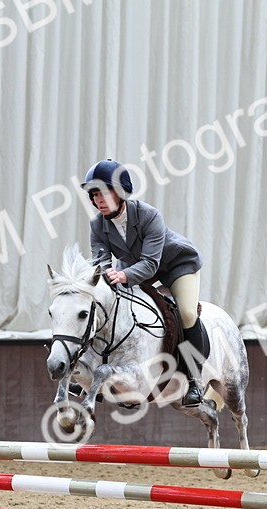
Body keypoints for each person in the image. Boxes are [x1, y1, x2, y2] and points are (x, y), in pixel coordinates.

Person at [81, 158, 209, 407]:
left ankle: (194, 381)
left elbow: (151, 263)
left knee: (185, 313)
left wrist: (123, 275)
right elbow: (101, 262)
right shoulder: (97, 225)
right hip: (134, 268)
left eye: (104, 193)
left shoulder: (149, 215)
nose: (98, 200)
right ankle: (90, 367)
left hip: (175, 264)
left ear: (120, 193)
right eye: (94, 195)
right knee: (108, 303)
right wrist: (107, 276)